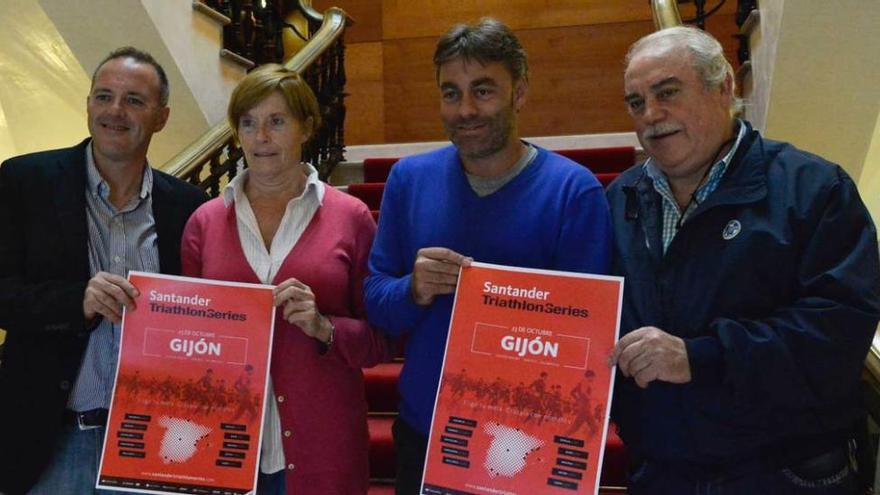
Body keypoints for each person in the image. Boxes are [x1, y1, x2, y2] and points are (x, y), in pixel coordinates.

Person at [607, 26, 880, 494]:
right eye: (636, 102)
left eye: (667, 92)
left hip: (783, 473)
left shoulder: (815, 190)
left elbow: (837, 333)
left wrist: (700, 356)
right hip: (663, 471)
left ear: (724, 88)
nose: (651, 115)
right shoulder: (618, 200)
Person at [363, 18, 612, 494]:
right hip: (427, 428)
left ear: (520, 92)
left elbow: (590, 337)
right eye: (451, 93)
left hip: (531, 435)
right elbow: (377, 302)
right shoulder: (408, 180)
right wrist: (412, 288)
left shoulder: (573, 190)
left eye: (483, 90)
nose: (466, 110)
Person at [0, 47, 207, 494]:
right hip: (52, 440)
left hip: (156, 442)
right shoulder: (23, 181)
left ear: (162, 117)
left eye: (134, 100)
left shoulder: (190, 207)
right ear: (88, 104)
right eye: (103, 96)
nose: (115, 111)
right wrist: (77, 299)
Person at [181, 63, 391, 495]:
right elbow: (185, 336)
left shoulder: (350, 218)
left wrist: (324, 327)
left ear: (307, 127)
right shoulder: (204, 222)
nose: (261, 137)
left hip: (323, 444)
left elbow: (384, 339)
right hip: (225, 445)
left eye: (276, 122)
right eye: (249, 123)